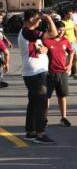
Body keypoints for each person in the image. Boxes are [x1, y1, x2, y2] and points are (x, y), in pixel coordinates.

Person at [20, 9, 59, 144]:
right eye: (38, 19)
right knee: (42, 103)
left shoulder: (29, 33)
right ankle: (40, 134)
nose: (40, 21)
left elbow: (44, 48)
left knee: (33, 103)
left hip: (34, 71)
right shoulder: (28, 32)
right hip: (35, 72)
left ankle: (30, 132)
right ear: (31, 19)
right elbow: (54, 33)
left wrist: (45, 49)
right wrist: (49, 18)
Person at [43, 20, 74, 127]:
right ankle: (44, 118)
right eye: (59, 29)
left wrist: (69, 64)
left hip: (62, 72)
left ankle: (63, 117)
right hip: (49, 72)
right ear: (54, 29)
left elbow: (71, 52)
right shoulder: (46, 40)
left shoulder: (65, 40)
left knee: (62, 96)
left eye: (63, 30)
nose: (61, 32)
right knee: (47, 97)